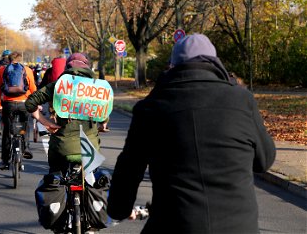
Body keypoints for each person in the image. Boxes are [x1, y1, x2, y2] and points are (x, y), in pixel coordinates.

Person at [106, 33, 276, 233]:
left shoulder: (151, 108)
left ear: (172, 66)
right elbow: (265, 160)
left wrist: (119, 208)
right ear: (215, 63)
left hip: (175, 224)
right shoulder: (242, 100)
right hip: (239, 226)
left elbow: (129, 168)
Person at [25, 53, 109, 174]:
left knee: (56, 175)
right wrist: (103, 125)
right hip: (89, 149)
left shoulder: (58, 86)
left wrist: (46, 122)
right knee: (95, 176)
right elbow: (103, 112)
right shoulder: (97, 88)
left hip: (61, 147)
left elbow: (30, 103)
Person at [0, 51, 37, 170]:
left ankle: (5, 160)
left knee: (7, 131)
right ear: (20, 59)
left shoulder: (3, 69)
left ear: (8, 59)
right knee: (25, 125)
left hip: (8, 104)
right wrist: (36, 103)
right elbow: (33, 88)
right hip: (24, 104)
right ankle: (26, 147)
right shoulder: (27, 70)